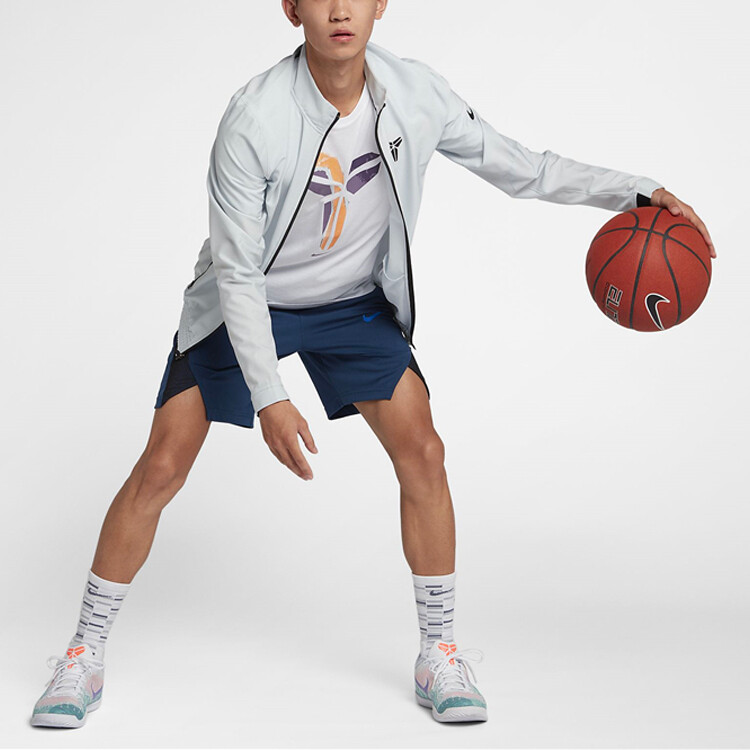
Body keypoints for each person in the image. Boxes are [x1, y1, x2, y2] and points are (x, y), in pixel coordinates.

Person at [30, 0, 716, 730]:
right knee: (163, 466)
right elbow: (236, 273)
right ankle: (83, 654)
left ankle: (439, 652)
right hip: (248, 302)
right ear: (291, 8)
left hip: (351, 304)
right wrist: (270, 396)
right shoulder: (254, 117)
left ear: (381, 4)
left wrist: (635, 191)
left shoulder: (416, 93)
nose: (339, 10)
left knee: (424, 451)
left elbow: (522, 168)